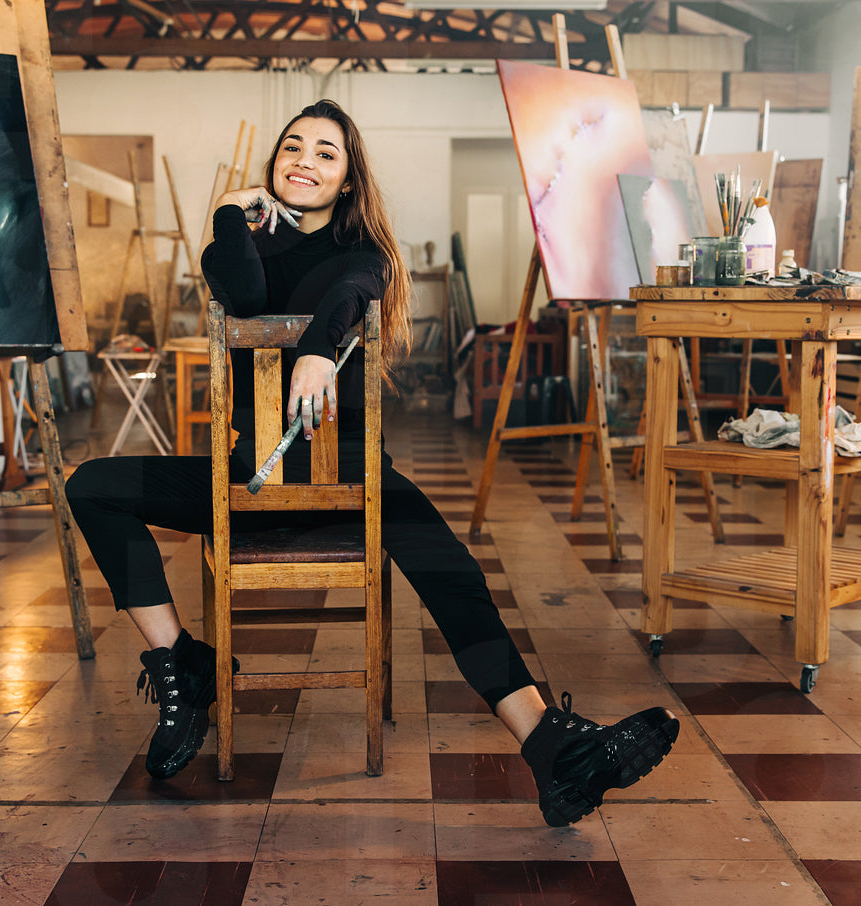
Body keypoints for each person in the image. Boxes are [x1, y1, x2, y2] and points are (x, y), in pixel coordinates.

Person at [66, 99, 680, 827]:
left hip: (355, 484)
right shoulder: (235, 248)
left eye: (326, 153)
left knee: (454, 573)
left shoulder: (365, 256)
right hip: (248, 483)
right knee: (92, 486)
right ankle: (184, 666)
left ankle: (551, 747)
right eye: (292, 147)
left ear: (349, 180)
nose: (304, 160)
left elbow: (349, 292)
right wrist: (230, 207)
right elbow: (249, 296)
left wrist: (319, 351)